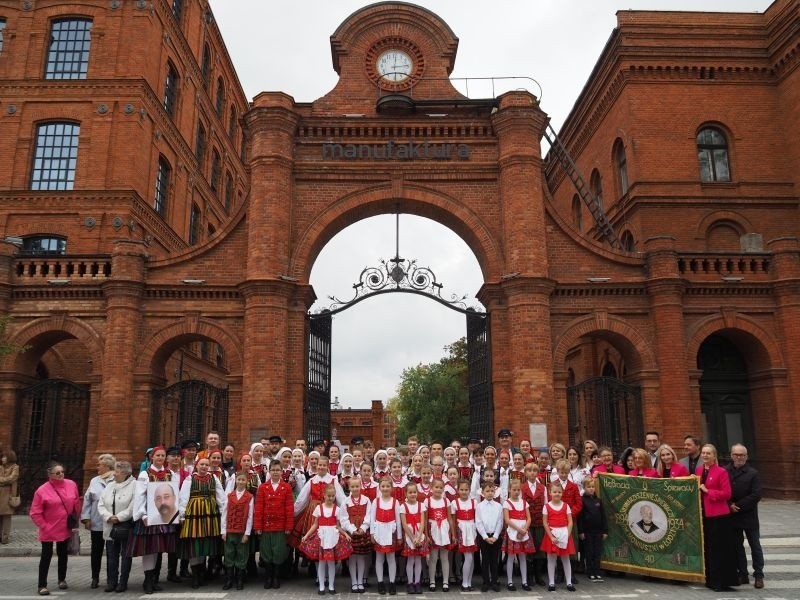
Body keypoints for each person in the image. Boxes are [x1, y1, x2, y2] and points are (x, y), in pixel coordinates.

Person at [129, 446, 178, 595]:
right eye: (157, 455)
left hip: (164, 517)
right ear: (152, 457)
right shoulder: (145, 474)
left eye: (162, 456)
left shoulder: (170, 473)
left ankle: (154, 580)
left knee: (159, 549)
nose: (160, 458)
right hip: (150, 517)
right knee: (149, 550)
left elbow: (175, 494)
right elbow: (140, 496)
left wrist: (175, 514)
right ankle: (148, 580)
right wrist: (142, 515)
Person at [29, 462, 81, 596]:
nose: (61, 474)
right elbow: (35, 512)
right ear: (50, 475)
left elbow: (76, 503)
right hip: (49, 528)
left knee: (63, 553)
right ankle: (42, 585)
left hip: (65, 527)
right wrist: (45, 526)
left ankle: (62, 579)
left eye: (62, 472)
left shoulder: (71, 485)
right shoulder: (42, 490)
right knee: (46, 556)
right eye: (57, 473)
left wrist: (77, 520)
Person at [177, 457, 226, 588]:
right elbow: (183, 498)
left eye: (206, 465)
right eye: (201, 464)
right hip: (194, 514)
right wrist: (182, 515)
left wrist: (223, 513)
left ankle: (201, 574)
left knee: (205, 543)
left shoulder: (213, 478)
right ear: (197, 466)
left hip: (210, 515)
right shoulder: (189, 479)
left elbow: (221, 497)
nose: (204, 467)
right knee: (195, 543)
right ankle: (195, 576)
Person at [697, 443, 738, 592]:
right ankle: (711, 580)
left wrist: (708, 491)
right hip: (705, 515)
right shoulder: (699, 470)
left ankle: (723, 582)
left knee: (720, 549)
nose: (705, 455)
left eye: (708, 453)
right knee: (709, 548)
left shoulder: (721, 472)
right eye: (703, 453)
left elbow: (727, 494)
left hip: (719, 516)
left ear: (714, 456)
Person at [300, 484, 353, 595]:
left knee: (331, 563)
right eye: (328, 495)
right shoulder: (319, 508)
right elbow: (315, 525)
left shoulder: (337, 509)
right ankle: (322, 586)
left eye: (333, 496)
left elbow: (338, 526)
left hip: (333, 536)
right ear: (324, 495)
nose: (330, 498)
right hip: (322, 537)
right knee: (322, 563)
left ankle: (332, 586)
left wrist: (345, 534)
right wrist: (306, 535)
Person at [726, 443, 764, 589]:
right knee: (737, 546)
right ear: (731, 455)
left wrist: (738, 506)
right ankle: (742, 574)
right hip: (733, 516)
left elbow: (756, 495)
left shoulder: (753, 473)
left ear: (746, 457)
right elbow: (722, 488)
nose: (739, 457)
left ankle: (759, 575)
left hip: (749, 516)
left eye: (742, 455)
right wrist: (729, 504)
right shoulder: (725, 471)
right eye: (736, 454)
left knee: (755, 546)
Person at [254, 459, 294, 590]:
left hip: (280, 526)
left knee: (278, 552)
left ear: (282, 472)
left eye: (278, 470)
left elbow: (289, 508)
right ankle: (268, 577)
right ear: (269, 471)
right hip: (266, 526)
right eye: (273, 470)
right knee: (266, 552)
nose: (275, 472)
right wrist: (258, 526)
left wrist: (289, 526)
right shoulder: (263, 487)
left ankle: (276, 577)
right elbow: (259, 508)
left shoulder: (286, 487)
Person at [98, 460, 136, 593]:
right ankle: (111, 581)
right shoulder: (110, 485)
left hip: (125, 525)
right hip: (110, 524)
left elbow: (133, 506)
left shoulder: (134, 485)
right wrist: (108, 516)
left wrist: (119, 517)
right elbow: (101, 503)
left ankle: (123, 582)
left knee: (126, 555)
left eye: (117, 471)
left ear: (125, 473)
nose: (114, 474)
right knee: (111, 555)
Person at [81, 453, 116, 588]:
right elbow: (87, 499)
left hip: (112, 522)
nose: (97, 467)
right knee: (96, 551)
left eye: (99, 465)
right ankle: (95, 577)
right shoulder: (94, 480)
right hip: (96, 521)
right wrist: (86, 518)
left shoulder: (116, 479)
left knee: (111, 552)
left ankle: (110, 578)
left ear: (107, 466)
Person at [540, 480, 576, 592]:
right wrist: (551, 537)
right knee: (551, 559)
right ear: (550, 493)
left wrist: (567, 534)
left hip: (564, 533)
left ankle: (569, 582)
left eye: (559, 492)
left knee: (566, 559)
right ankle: (551, 582)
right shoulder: (547, 506)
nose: (557, 494)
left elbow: (570, 521)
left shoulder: (566, 506)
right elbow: (545, 523)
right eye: (555, 492)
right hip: (552, 535)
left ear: (562, 493)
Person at [221, 471, 254, 591]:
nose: (241, 482)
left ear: (247, 482)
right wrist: (223, 531)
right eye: (239, 479)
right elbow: (224, 514)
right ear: (235, 481)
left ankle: (240, 580)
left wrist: (247, 533)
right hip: (230, 530)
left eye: (243, 480)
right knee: (229, 555)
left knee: (241, 555)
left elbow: (250, 516)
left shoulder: (249, 497)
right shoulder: (229, 495)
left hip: (242, 531)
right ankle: (229, 579)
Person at [339, 477, 373, 593]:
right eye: (352, 487)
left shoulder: (366, 500)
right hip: (351, 533)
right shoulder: (345, 502)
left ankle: (360, 581)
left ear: (360, 486)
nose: (355, 489)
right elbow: (343, 519)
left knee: (361, 558)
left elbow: (369, 515)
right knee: (352, 558)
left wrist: (364, 527)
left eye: (357, 486)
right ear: (349, 488)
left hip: (363, 532)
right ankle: (354, 582)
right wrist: (352, 529)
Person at [370, 477, 402, 595]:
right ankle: (380, 582)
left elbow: (398, 520)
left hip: (391, 532)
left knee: (391, 558)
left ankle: (392, 583)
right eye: (383, 486)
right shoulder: (376, 501)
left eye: (387, 486)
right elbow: (372, 518)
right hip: (379, 531)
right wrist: (372, 533)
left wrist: (399, 536)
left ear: (391, 488)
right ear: (379, 488)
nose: (385, 488)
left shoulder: (395, 502)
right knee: (379, 558)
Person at [503, 478, 534, 591]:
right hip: (513, 532)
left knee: (522, 557)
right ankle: (510, 582)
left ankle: (524, 581)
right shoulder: (507, 503)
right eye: (514, 489)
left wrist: (524, 530)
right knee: (511, 557)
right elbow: (507, 519)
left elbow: (529, 518)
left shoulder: (524, 502)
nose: (516, 492)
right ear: (509, 490)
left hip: (524, 533)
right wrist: (518, 530)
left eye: (518, 490)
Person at [400, 482, 428, 594]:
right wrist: (412, 538)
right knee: (410, 560)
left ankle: (417, 582)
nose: (413, 494)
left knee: (418, 560)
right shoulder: (403, 506)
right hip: (409, 535)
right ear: (406, 494)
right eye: (410, 492)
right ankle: (410, 583)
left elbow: (422, 522)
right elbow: (404, 524)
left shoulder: (421, 505)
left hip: (419, 535)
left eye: (414, 492)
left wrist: (419, 536)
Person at [426, 478, 453, 592]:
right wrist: (426, 535)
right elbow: (426, 519)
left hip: (444, 529)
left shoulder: (446, 501)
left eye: (441, 487)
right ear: (431, 488)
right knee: (433, 558)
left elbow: (450, 518)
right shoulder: (427, 501)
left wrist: (452, 533)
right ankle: (432, 581)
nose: (438, 489)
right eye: (436, 487)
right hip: (433, 529)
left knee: (444, 557)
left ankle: (445, 581)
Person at [475, 481, 502, 592]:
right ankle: (486, 581)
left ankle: (494, 581)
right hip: (484, 536)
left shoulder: (499, 506)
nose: (490, 493)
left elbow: (500, 522)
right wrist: (485, 537)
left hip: (495, 536)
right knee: (485, 560)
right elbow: (478, 522)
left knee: (494, 560)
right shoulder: (479, 506)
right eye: (487, 491)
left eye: (492, 491)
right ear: (482, 492)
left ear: (495, 492)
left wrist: (495, 536)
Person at [451, 479, 478, 592]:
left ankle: (469, 581)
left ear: (469, 490)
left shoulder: (474, 502)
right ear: (458, 490)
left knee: (471, 557)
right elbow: (452, 520)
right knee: (468, 557)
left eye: (466, 489)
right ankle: (464, 582)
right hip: (461, 530)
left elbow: (477, 518)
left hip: (471, 530)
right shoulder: (454, 503)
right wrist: (453, 534)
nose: (464, 492)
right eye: (461, 489)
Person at [578, 477, 607, 582]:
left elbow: (603, 516)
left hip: (598, 531)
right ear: (584, 488)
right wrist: (581, 531)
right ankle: (590, 572)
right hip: (587, 531)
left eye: (593, 487)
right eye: (588, 487)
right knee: (589, 552)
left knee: (597, 552)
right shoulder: (582, 500)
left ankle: (597, 571)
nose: (591, 489)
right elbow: (580, 517)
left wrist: (605, 531)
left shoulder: (598, 500)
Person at [0, 449, 20, 544]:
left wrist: (2, 480)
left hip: (9, 494)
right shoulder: (1, 467)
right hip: (0, 493)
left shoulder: (15, 467)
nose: (2, 458)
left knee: (6, 517)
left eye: (4, 457)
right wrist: (4, 480)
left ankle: (5, 537)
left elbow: (12, 478)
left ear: (9, 458)